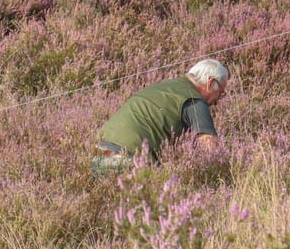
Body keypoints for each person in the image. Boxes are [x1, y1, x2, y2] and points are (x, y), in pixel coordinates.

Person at [93, 59, 230, 175]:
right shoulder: (194, 100)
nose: (217, 101)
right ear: (211, 83)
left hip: (98, 151)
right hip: (128, 158)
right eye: (220, 93)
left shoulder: (166, 87)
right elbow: (210, 148)